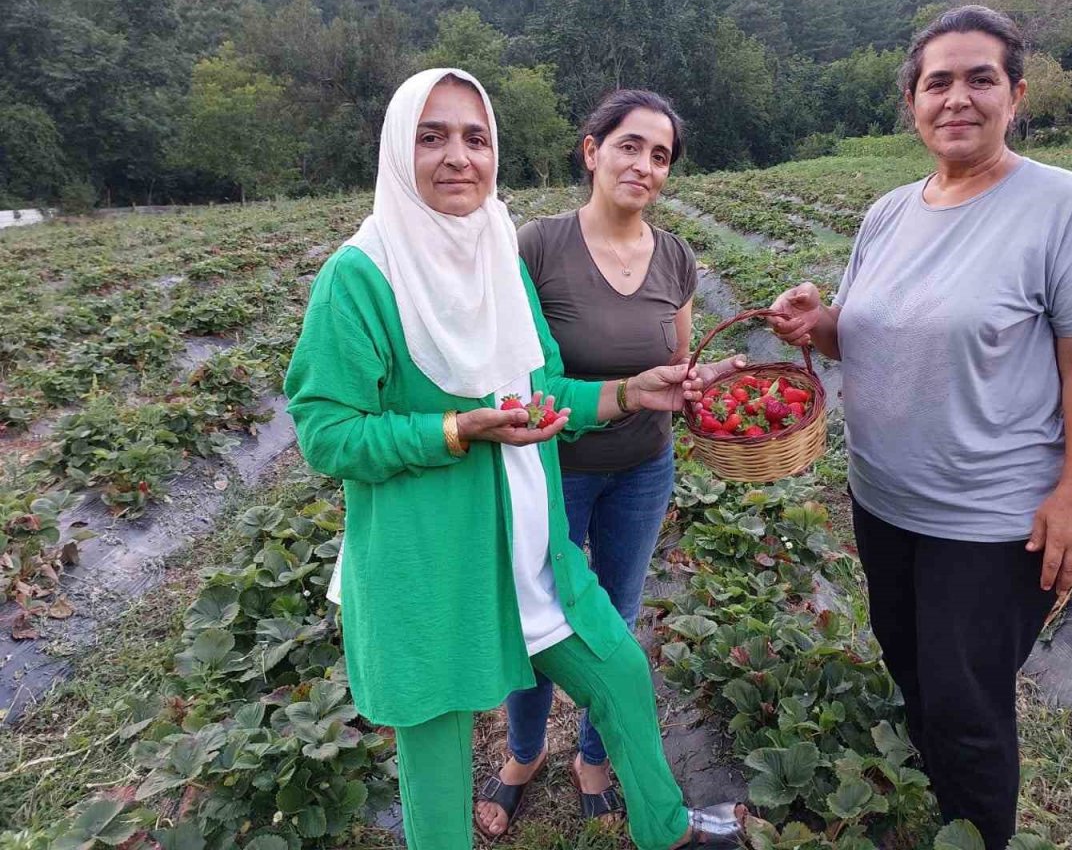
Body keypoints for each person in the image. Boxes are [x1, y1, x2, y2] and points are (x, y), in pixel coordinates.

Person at [284, 67, 748, 850]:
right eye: (432, 137)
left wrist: (631, 391)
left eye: (476, 137)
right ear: (398, 150)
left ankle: (666, 829)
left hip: (530, 546)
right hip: (428, 562)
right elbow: (326, 434)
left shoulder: (498, 249)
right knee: (438, 770)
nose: (457, 156)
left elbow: (541, 389)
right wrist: (455, 430)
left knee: (619, 670)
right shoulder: (359, 276)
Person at [767, 6, 1072, 850]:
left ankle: (978, 832)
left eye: (980, 79)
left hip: (989, 517)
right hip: (885, 501)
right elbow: (859, 332)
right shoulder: (889, 212)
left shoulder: (1062, 206)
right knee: (914, 671)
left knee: (968, 708)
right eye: (938, 82)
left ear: (1016, 95)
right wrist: (816, 322)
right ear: (913, 102)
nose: (957, 98)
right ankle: (947, 811)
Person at [485, 90, 742, 833]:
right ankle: (525, 752)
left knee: (617, 617)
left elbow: (677, 362)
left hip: (642, 468)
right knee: (537, 622)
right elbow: (514, 369)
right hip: (551, 472)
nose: (644, 166)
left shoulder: (677, 257)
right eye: (630, 146)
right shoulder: (539, 246)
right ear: (593, 151)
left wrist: (704, 385)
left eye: (660, 155)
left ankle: (594, 757)